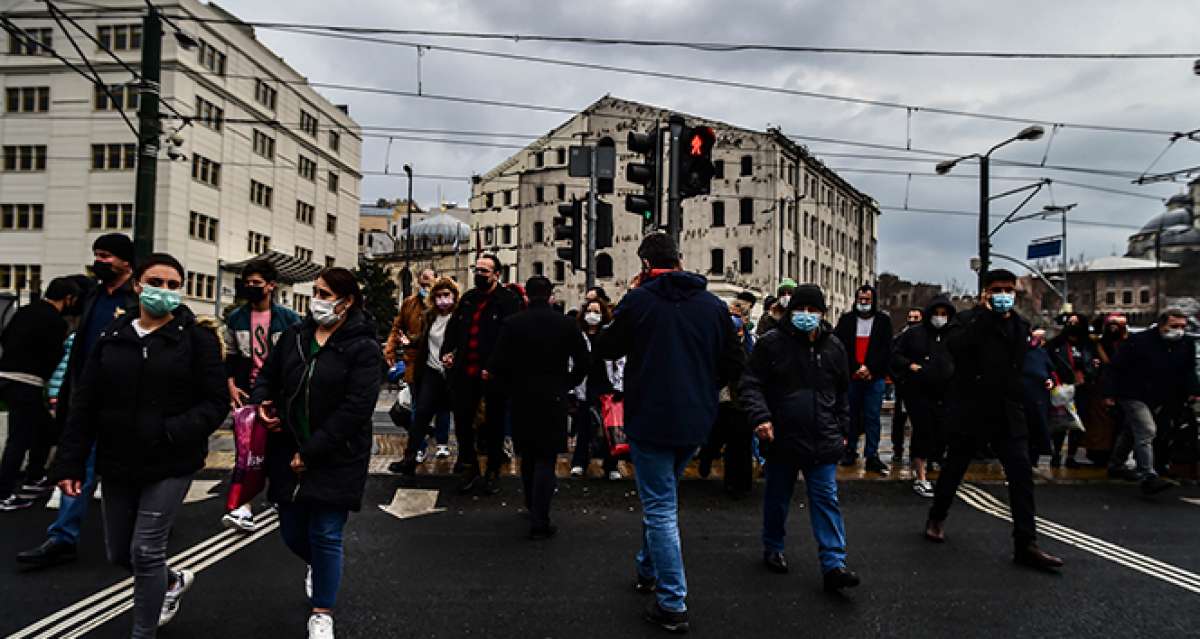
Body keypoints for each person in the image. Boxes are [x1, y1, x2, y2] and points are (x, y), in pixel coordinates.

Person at [51, 253, 228, 637]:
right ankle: (170, 581)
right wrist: (69, 463)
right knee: (120, 553)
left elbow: (215, 402)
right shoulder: (113, 337)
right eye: (156, 281)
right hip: (118, 461)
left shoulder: (196, 340)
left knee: (146, 551)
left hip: (171, 461)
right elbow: (85, 404)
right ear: (138, 285)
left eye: (173, 285)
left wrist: (170, 430)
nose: (164, 291)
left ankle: (142, 632)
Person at [594, 233, 743, 632]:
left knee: (660, 507)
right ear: (679, 261)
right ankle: (647, 568)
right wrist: (705, 387)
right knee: (662, 495)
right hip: (696, 420)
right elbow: (734, 362)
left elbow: (607, 348)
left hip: (650, 418)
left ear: (645, 265)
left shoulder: (640, 301)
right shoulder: (712, 306)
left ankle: (672, 601)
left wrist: (626, 300)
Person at [250, 267, 382, 639]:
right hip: (287, 448)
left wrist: (312, 451)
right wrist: (263, 403)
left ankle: (322, 611)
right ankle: (322, 567)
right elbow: (267, 377)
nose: (318, 301)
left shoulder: (362, 347)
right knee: (292, 532)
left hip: (337, 453)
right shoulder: (295, 336)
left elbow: (357, 408)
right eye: (317, 292)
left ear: (347, 301)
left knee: (326, 531)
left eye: (326, 294)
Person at [924, 270, 1064, 571]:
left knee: (1021, 475)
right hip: (971, 408)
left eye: (1008, 290)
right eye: (997, 290)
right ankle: (937, 515)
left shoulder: (1019, 325)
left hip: (1007, 410)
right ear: (985, 293)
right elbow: (957, 348)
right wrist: (985, 317)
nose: (1004, 295)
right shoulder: (968, 321)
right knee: (954, 467)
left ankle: (1026, 542)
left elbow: (1020, 365)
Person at [18, 233, 140, 568]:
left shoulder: (138, 298)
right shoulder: (91, 297)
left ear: (126, 262)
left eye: (107, 256)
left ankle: (146, 529)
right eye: (97, 255)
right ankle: (63, 537)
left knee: (129, 470)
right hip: (87, 398)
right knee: (76, 467)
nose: (100, 262)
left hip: (124, 401)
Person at [740, 285, 860, 592]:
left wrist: (844, 430)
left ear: (822, 314)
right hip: (782, 437)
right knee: (778, 496)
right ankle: (773, 545)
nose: (806, 316)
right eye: (801, 310)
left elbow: (843, 393)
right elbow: (751, 384)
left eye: (813, 311)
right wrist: (761, 417)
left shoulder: (834, 347)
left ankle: (834, 563)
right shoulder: (771, 345)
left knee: (826, 500)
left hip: (823, 437)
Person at [485, 276, 589, 539]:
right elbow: (583, 361)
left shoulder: (513, 324)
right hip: (554, 396)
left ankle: (531, 504)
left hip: (522, 396)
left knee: (528, 455)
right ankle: (540, 517)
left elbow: (497, 363)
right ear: (551, 295)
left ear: (527, 296)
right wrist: (568, 382)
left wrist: (510, 386)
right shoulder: (565, 324)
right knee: (547, 457)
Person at [221, 259, 301, 530]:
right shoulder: (236, 318)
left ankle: (281, 495)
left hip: (279, 393)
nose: (251, 288)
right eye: (248, 284)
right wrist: (231, 384)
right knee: (247, 450)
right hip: (248, 393)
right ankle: (243, 507)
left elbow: (295, 357)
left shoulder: (289, 320)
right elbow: (231, 356)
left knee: (279, 448)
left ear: (271, 286)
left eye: (257, 283)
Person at [440, 255, 522, 495]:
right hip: (465, 371)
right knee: (463, 422)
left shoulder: (508, 301)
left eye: (485, 271)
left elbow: (510, 339)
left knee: (494, 423)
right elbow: (453, 330)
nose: (479, 275)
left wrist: (496, 366)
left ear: (497, 274)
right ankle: (470, 467)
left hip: (493, 374)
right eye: (477, 270)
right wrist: (448, 352)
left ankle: (493, 470)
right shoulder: (468, 300)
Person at [0, 277, 79, 510]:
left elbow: (5, 336)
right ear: (68, 299)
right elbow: (54, 356)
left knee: (45, 429)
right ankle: (4, 493)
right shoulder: (55, 322)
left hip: (6, 377)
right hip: (28, 381)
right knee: (19, 438)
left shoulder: (25, 311)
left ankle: (35, 477)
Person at [1103, 310, 1200, 495]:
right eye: (1174, 326)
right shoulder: (1139, 341)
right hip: (1133, 392)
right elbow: (1116, 367)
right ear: (1162, 325)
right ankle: (1148, 474)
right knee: (1147, 430)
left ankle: (1116, 464)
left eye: (1182, 327)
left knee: (1132, 430)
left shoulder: (1185, 344)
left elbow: (1188, 370)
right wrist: (1109, 392)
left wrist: (1193, 391)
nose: (1178, 331)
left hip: (1160, 394)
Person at [390, 277, 460, 476]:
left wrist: (455, 356)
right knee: (420, 414)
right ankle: (410, 457)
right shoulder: (430, 316)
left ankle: (464, 460)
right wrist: (409, 341)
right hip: (431, 371)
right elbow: (423, 338)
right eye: (438, 296)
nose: (442, 300)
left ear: (454, 296)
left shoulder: (460, 317)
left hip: (453, 374)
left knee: (461, 417)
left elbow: (465, 341)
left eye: (446, 295)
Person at [891, 297, 955, 498]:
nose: (940, 318)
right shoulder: (914, 334)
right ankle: (920, 475)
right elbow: (895, 354)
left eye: (944, 314)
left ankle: (937, 465)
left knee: (943, 431)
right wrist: (910, 366)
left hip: (945, 392)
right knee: (922, 431)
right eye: (937, 313)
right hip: (918, 391)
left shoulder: (954, 335)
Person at [834, 284, 894, 474]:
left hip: (874, 378)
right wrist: (855, 368)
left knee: (872, 417)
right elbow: (840, 347)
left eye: (867, 299)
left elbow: (886, 350)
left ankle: (872, 455)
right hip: (852, 377)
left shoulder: (883, 321)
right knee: (850, 416)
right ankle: (849, 451)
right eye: (861, 299)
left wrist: (870, 369)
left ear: (873, 300)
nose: (864, 302)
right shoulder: (846, 321)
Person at [569, 298, 624, 480]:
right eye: (589, 311)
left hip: (605, 386)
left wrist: (618, 386)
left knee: (610, 427)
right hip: (585, 385)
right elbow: (571, 361)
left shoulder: (609, 335)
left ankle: (611, 465)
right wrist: (572, 387)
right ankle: (579, 462)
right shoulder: (579, 336)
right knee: (584, 426)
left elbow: (619, 362)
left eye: (597, 312)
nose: (593, 315)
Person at [1046, 314, 1100, 468]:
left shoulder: (1089, 346)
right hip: (1061, 388)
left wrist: (1089, 375)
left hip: (1082, 388)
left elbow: (1095, 364)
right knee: (1060, 423)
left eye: (1076, 322)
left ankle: (1071, 456)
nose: (1073, 325)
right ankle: (1056, 454)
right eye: (1070, 322)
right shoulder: (1056, 344)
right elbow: (1047, 363)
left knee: (1078, 423)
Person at [385, 268, 436, 386]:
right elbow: (397, 328)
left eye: (429, 279)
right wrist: (390, 350)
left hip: (434, 362)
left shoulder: (440, 304)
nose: (426, 284)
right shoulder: (409, 304)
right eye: (423, 278)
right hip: (413, 362)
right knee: (416, 400)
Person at [890, 307, 924, 465]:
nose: (912, 321)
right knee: (899, 421)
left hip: (921, 387)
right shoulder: (899, 339)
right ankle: (898, 450)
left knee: (920, 422)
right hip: (904, 386)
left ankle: (915, 452)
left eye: (916, 318)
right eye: (910, 317)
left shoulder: (926, 340)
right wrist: (899, 378)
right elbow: (893, 360)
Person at [1022, 329, 1057, 466]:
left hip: (1039, 397)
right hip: (1020, 396)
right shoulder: (1015, 352)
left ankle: (1033, 458)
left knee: (1037, 430)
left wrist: (1050, 381)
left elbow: (1050, 371)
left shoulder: (1040, 353)